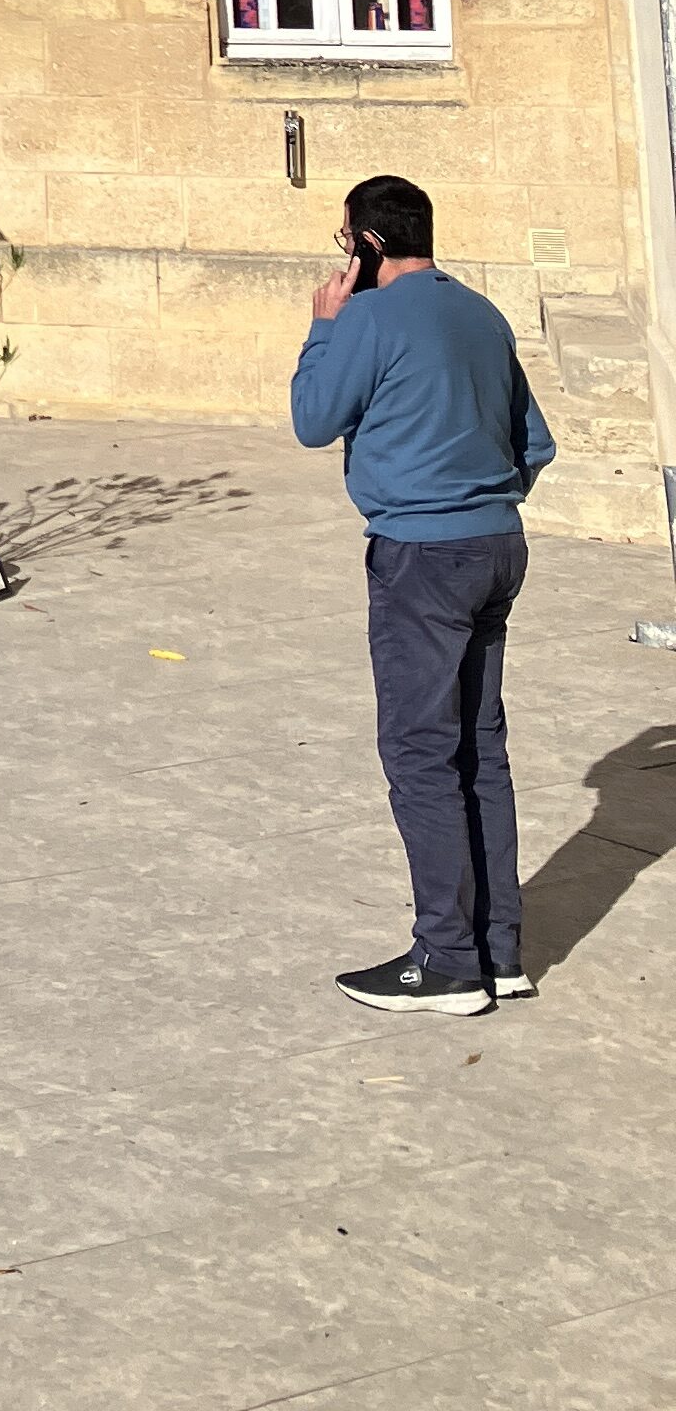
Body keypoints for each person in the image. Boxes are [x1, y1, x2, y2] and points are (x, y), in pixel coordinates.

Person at [293, 174, 558, 1015]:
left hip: (421, 555)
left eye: (345, 245)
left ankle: (446, 959)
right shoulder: (483, 313)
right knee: (480, 747)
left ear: (369, 245)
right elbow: (535, 444)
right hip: (496, 546)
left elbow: (312, 418)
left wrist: (321, 328)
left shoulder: (363, 317)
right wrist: (479, 494)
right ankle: (498, 952)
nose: (342, 263)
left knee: (419, 752)